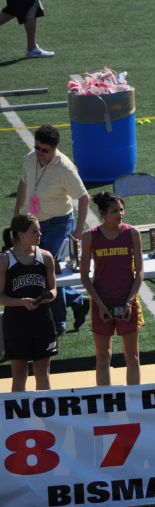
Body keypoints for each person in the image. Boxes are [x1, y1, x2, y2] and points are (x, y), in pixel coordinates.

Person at [14, 125, 90, 336]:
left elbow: (84, 198)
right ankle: (77, 300)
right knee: (41, 268)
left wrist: (78, 231)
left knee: (49, 269)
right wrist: (16, 211)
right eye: (37, 147)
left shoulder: (65, 168)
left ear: (55, 149)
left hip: (59, 223)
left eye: (44, 150)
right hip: (35, 222)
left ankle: (59, 323)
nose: (39, 152)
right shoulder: (30, 159)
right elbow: (23, 183)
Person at [80, 192, 143, 386]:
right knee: (102, 357)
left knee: (132, 356)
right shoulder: (90, 236)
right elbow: (84, 276)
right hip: (101, 303)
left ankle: (135, 400)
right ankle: (106, 402)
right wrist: (100, 305)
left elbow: (140, 272)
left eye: (122, 209)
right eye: (115, 210)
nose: (120, 213)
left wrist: (128, 302)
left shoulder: (132, 233)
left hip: (127, 302)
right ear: (102, 213)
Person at [0, 214, 57, 392]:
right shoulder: (5, 260)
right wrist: (21, 302)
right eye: (35, 231)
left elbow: (54, 289)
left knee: (42, 371)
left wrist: (49, 296)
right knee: (19, 374)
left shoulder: (46, 257)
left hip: (43, 322)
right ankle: (20, 419)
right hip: (16, 325)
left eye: (39, 230)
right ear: (20, 234)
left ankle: (47, 417)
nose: (40, 234)